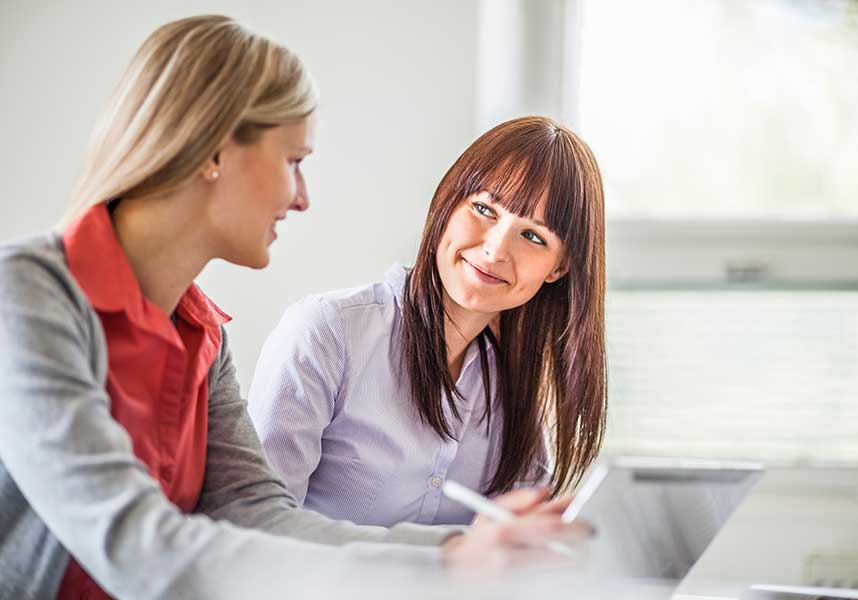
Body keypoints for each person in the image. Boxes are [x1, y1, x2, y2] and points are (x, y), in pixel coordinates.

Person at [0, 15, 591, 600]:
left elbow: (256, 513)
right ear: (213, 152)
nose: (302, 197)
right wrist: (442, 571)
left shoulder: (201, 332)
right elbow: (136, 544)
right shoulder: (24, 292)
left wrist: (456, 554)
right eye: (293, 162)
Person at [248, 116, 607, 527]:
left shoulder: (520, 396)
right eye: (484, 209)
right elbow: (264, 530)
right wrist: (452, 553)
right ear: (447, 202)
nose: (494, 250)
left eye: (533, 237)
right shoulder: (328, 333)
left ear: (558, 269)